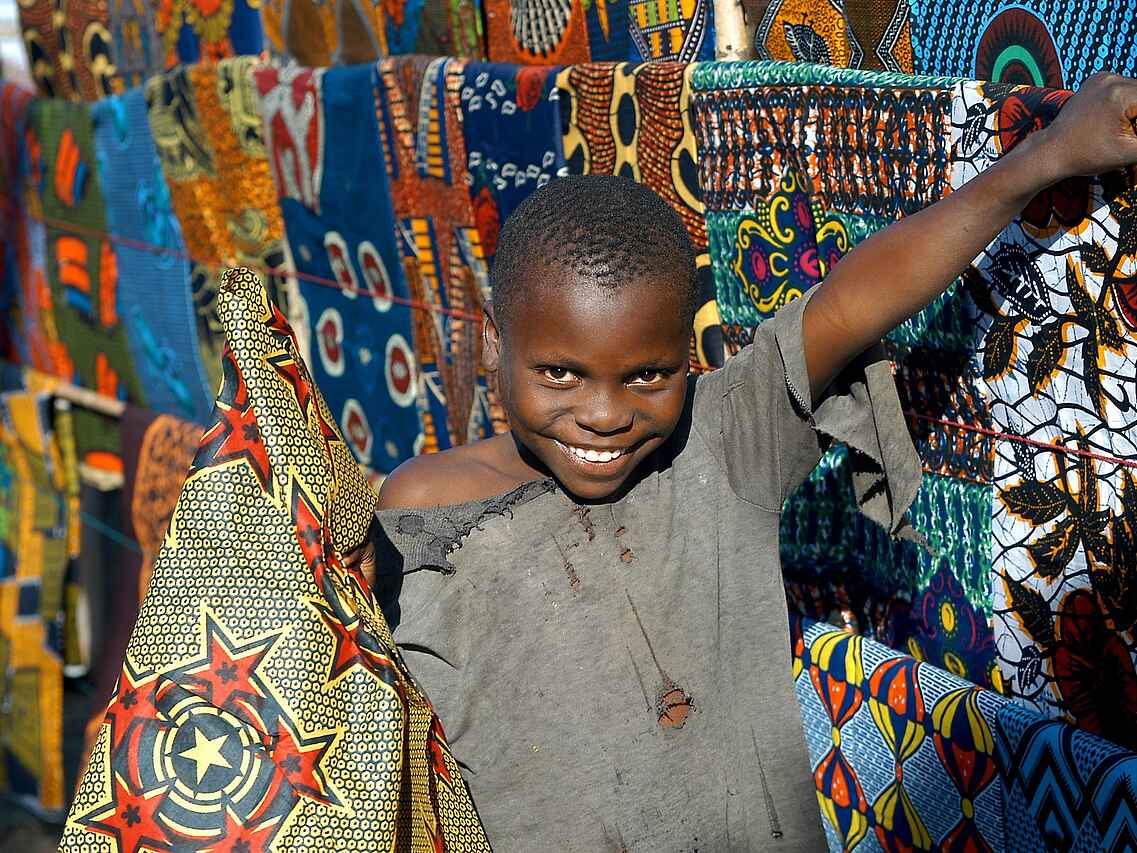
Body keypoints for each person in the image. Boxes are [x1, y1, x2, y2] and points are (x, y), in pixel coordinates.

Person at [354, 74, 1137, 850]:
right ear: (493, 338)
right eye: (559, 372)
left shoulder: (721, 442)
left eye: (646, 375)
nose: (604, 413)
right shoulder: (426, 509)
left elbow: (849, 303)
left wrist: (1048, 154)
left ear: (684, 351)